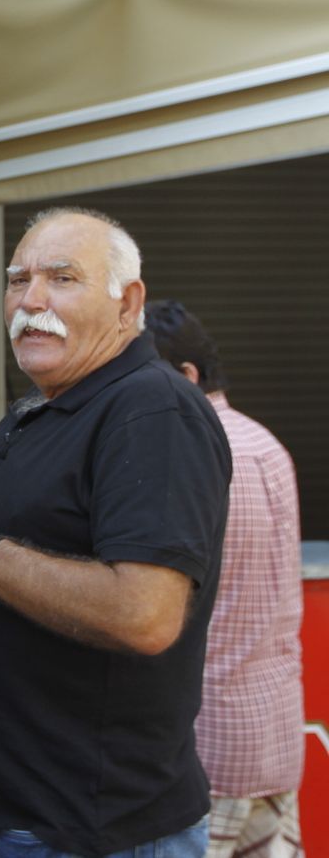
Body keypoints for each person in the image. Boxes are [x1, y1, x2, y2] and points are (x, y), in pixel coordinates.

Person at [0, 207, 231, 858]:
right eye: (17, 279)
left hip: (97, 826)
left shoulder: (151, 409)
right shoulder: (45, 403)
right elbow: (1, 545)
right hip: (36, 811)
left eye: (62, 278)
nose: (31, 301)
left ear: (127, 301)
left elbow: (145, 613)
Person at [144, 300, 304, 858]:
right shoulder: (266, 444)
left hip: (205, 744)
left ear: (187, 376)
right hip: (273, 731)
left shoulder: (190, 452)